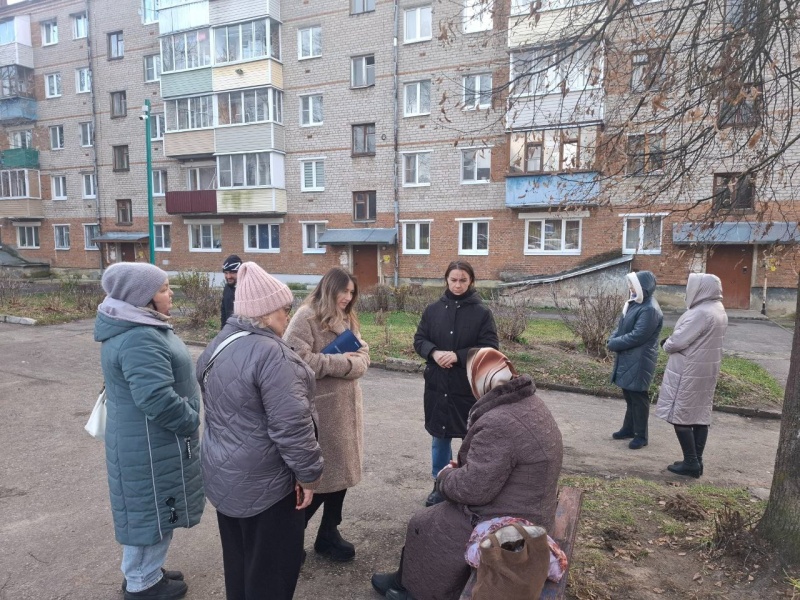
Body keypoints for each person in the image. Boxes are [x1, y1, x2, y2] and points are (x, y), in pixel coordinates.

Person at [371, 347, 563, 600]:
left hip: (512, 522)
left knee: (428, 524)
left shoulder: (499, 421)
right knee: (430, 519)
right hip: (529, 506)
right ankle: (404, 579)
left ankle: (417, 592)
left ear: (480, 380)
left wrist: (445, 477)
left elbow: (474, 489)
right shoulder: (527, 401)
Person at [196, 262, 323, 599]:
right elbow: (292, 428)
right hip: (267, 488)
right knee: (271, 575)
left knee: (239, 564)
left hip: (226, 479)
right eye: (284, 309)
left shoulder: (219, 343)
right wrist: (309, 477)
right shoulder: (273, 356)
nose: (287, 316)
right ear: (267, 314)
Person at [94, 262, 203, 600]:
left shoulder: (139, 328)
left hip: (148, 440)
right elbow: (154, 396)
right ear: (144, 297)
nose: (170, 293)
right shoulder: (140, 336)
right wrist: (190, 419)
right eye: (163, 289)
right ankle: (142, 582)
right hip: (150, 442)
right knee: (152, 510)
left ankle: (146, 569)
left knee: (152, 508)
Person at [284, 267, 370, 562]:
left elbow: (363, 356)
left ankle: (329, 533)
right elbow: (295, 360)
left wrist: (350, 365)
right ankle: (290, 538)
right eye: (343, 291)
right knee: (319, 480)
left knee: (342, 475)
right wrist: (341, 363)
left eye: (351, 292)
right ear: (328, 289)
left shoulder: (347, 317)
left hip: (346, 410)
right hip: (321, 410)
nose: (347, 297)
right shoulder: (306, 316)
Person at [413, 260, 499, 507]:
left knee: (470, 437)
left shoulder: (482, 313)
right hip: (438, 386)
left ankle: (469, 486)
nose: (458, 284)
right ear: (446, 280)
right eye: (453, 280)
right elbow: (419, 340)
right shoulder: (432, 310)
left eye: (463, 280)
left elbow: (490, 346)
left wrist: (459, 355)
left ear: (471, 281)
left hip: (468, 387)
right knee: (439, 437)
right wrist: (433, 352)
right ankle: (440, 484)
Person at [656, 273, 728, 478]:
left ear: (700, 289)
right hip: (706, 369)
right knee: (699, 415)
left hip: (690, 370)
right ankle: (697, 461)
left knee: (682, 415)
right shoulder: (718, 309)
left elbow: (677, 342)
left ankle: (690, 462)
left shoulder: (700, 313)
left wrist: (666, 343)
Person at [607, 271, 664, 450]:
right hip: (629, 357)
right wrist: (612, 338)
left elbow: (638, 336)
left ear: (642, 287)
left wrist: (614, 343)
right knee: (629, 395)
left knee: (638, 397)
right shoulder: (634, 303)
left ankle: (641, 435)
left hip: (640, 360)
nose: (630, 288)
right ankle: (629, 428)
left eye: (633, 285)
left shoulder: (649, 309)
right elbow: (621, 326)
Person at [220, 254, 242, 329]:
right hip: (229, 333)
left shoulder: (248, 291)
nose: (228, 276)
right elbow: (224, 314)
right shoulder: (227, 289)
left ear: (240, 272)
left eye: (232, 272)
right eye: (226, 273)